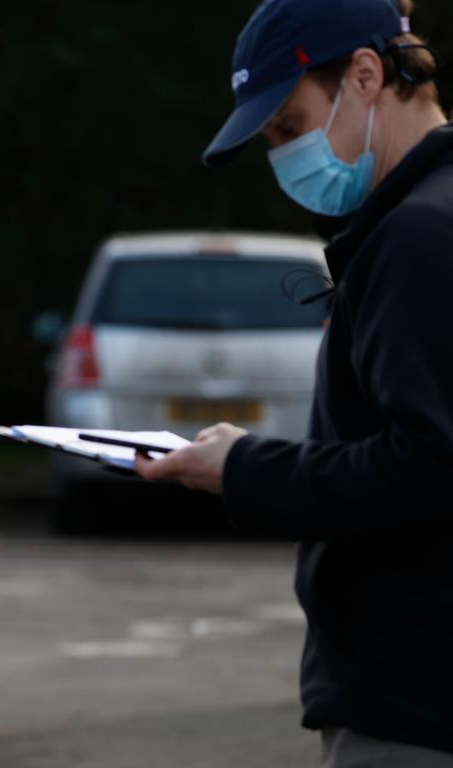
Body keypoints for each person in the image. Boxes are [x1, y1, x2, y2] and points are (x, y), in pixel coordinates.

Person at [135, 0, 453, 765]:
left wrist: (242, 468)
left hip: (415, 696)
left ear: (368, 76)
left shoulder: (416, 236)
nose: (285, 156)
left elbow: (430, 466)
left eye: (288, 125)